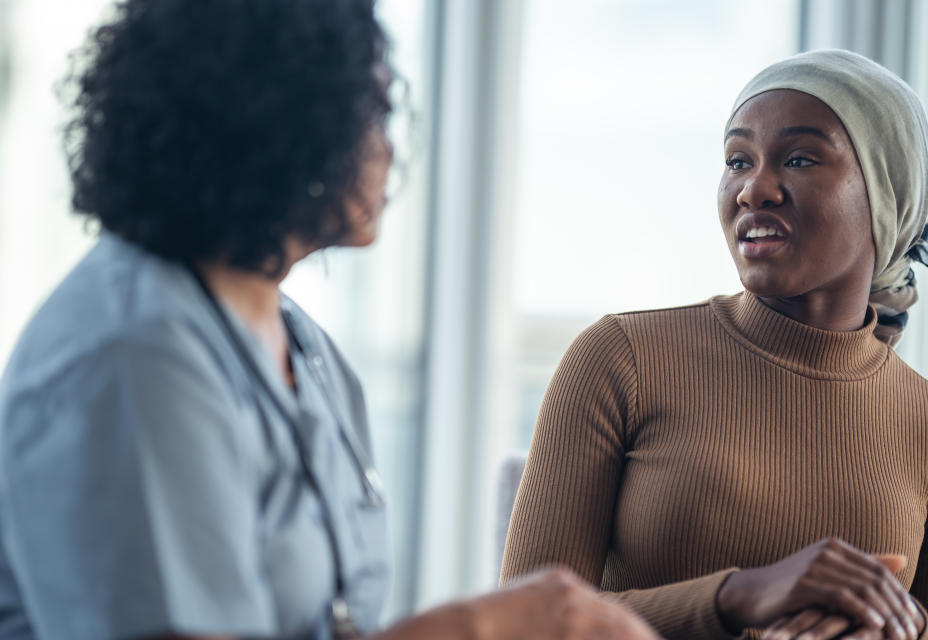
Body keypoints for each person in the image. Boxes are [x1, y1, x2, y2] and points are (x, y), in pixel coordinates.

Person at [0, 1, 660, 639]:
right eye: (370, 114)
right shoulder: (133, 358)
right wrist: (482, 625)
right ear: (277, 120)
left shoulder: (305, 350)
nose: (387, 152)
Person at [500, 49, 928, 640]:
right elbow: (520, 624)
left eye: (798, 159)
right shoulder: (621, 359)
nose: (754, 189)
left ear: (885, 196)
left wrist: (901, 632)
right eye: (738, 161)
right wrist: (738, 597)